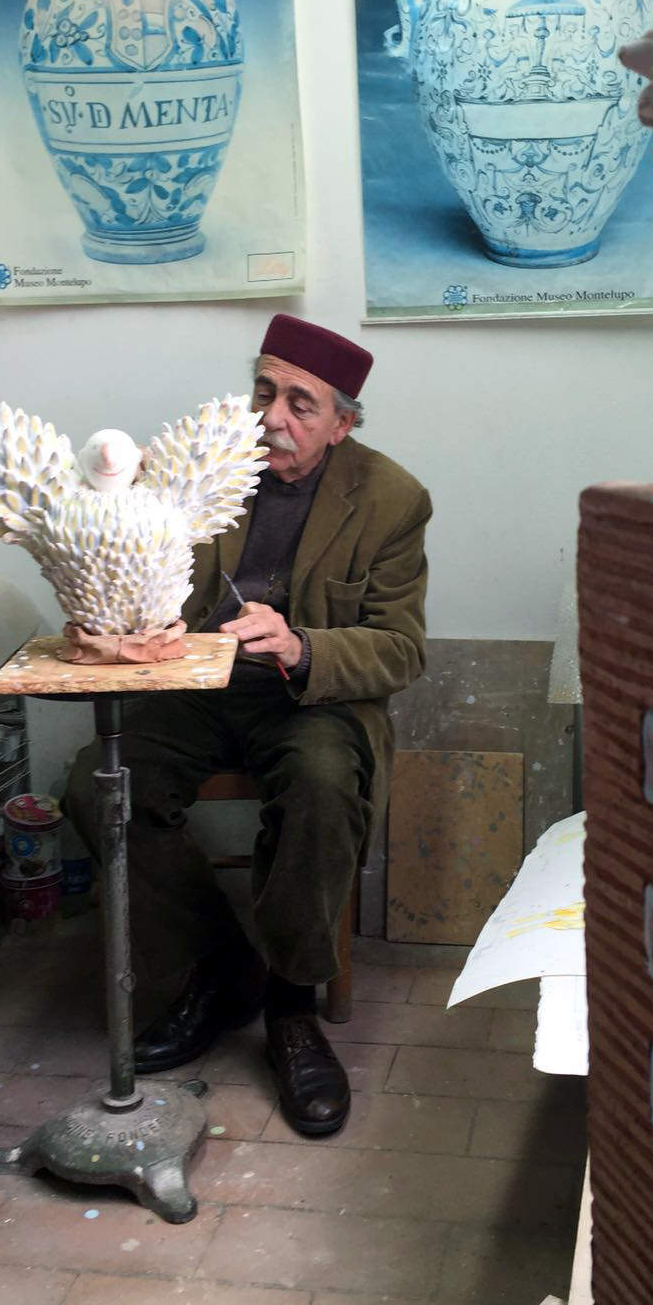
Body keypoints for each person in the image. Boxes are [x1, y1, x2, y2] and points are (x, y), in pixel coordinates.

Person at [64, 313, 431, 1138]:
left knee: (323, 786)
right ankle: (225, 964)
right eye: (264, 392)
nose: (272, 417)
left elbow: (401, 647)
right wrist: (118, 515)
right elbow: (132, 572)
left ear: (342, 425)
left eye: (301, 403)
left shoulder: (392, 499)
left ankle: (290, 1003)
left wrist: (301, 645)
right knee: (99, 787)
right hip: (195, 689)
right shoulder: (200, 468)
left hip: (305, 697)